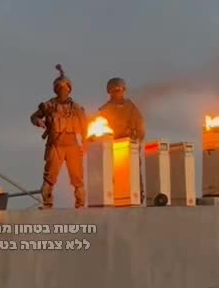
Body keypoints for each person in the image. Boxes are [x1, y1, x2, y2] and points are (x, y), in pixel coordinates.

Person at [30, 64, 88, 209]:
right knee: (49, 178)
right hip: (55, 145)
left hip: (73, 146)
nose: (63, 90)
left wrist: (85, 145)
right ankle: (47, 204)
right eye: (60, 87)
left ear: (69, 88)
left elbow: (85, 127)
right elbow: (34, 116)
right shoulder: (49, 105)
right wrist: (39, 121)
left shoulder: (77, 108)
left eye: (65, 87)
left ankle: (80, 205)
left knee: (77, 179)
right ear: (56, 89)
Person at [99, 77, 146, 202]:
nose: (118, 92)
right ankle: (114, 196)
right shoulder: (104, 110)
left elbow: (140, 124)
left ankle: (138, 194)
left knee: (134, 170)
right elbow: (99, 128)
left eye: (121, 90)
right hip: (113, 146)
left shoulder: (131, 107)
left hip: (130, 144)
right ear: (110, 91)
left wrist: (138, 140)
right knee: (113, 172)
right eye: (115, 90)